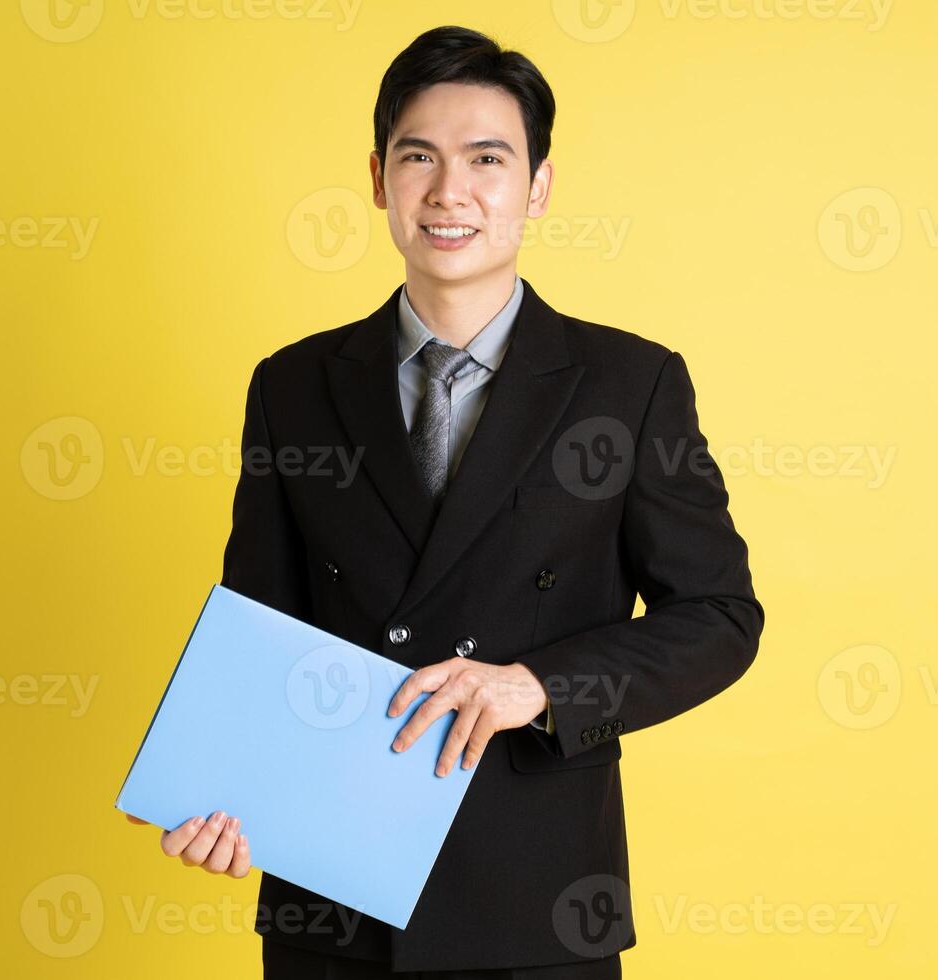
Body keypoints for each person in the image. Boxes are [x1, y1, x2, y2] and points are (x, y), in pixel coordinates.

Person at [126, 24, 764, 979]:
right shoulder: (293, 385)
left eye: (486, 160)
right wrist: (220, 794)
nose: (448, 191)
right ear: (379, 178)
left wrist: (536, 686)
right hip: (332, 902)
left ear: (538, 187)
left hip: (534, 896)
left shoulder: (628, 384)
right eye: (417, 157)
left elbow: (718, 617)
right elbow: (258, 625)